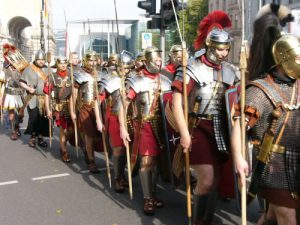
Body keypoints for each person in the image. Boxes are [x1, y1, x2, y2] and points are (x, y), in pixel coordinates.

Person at [231, 8, 298, 225]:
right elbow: (239, 126)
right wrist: (239, 159)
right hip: (273, 163)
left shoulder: (298, 86)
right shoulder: (259, 91)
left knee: (271, 216)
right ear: (283, 59)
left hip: (297, 161)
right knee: (287, 216)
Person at [172, 11, 239, 225]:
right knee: (207, 178)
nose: (224, 53)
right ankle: (198, 222)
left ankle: (206, 221)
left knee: (216, 180)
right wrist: (184, 133)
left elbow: (234, 102)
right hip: (197, 126)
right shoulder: (191, 68)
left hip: (221, 128)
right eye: (220, 49)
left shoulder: (231, 71)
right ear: (210, 47)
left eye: (227, 49)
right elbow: (176, 102)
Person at [119, 46, 171, 215]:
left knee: (156, 162)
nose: (158, 62)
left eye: (159, 59)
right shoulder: (137, 80)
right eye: (155, 60)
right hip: (144, 126)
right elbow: (124, 105)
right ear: (147, 62)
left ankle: (153, 193)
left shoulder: (165, 80)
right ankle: (147, 198)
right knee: (146, 162)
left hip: (161, 127)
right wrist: (122, 128)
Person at [99, 51, 134, 193]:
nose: (124, 71)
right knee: (118, 148)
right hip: (114, 116)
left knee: (129, 149)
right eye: (122, 67)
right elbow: (98, 100)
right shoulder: (109, 80)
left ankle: (123, 173)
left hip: (131, 117)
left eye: (127, 68)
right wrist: (98, 119)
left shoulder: (134, 80)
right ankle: (118, 177)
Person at [73, 50, 103, 173]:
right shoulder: (79, 75)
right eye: (90, 60)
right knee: (89, 135)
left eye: (94, 60)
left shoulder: (100, 74)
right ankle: (91, 161)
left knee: (98, 136)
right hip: (84, 107)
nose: (92, 62)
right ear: (85, 60)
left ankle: (87, 150)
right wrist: (73, 111)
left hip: (98, 108)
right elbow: (74, 95)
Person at [44, 56, 75, 163]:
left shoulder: (71, 75)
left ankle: (63, 144)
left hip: (70, 105)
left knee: (71, 130)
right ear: (57, 64)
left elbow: (74, 93)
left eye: (65, 63)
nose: (63, 65)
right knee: (64, 129)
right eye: (61, 63)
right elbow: (47, 94)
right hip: (59, 106)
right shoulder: (52, 76)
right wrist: (48, 109)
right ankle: (64, 151)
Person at [19, 50, 49, 148]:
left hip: (44, 98)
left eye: (42, 60)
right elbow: (21, 82)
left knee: (43, 119)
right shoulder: (29, 68)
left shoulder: (48, 70)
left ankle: (40, 138)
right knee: (33, 118)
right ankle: (32, 137)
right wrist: (28, 88)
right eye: (39, 59)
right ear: (35, 60)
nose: (41, 61)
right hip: (33, 98)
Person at [1, 61, 24, 140]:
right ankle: (13, 132)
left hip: (19, 94)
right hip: (9, 94)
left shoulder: (21, 69)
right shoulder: (5, 69)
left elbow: (24, 81)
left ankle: (17, 126)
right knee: (11, 114)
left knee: (21, 114)